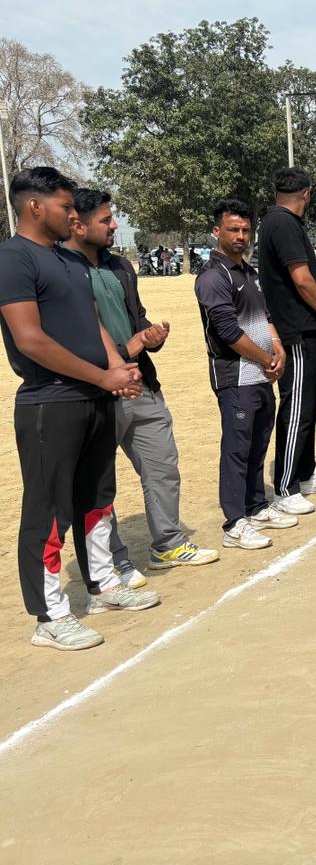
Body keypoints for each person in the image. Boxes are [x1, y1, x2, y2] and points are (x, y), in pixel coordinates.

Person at [0, 167, 158, 651]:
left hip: (95, 397)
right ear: (34, 206)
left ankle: (104, 586)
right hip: (50, 401)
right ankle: (49, 616)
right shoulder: (12, 258)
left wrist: (118, 368)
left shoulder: (68, 261)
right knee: (48, 510)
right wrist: (102, 376)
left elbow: (93, 325)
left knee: (98, 497)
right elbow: (30, 339)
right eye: (65, 207)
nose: (73, 215)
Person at [65, 188, 218, 581]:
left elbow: (135, 316)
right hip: (94, 391)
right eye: (106, 219)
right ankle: (112, 560)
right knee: (98, 483)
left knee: (163, 466)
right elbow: (69, 337)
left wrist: (149, 335)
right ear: (77, 225)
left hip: (141, 384)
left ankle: (167, 544)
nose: (115, 225)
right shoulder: (61, 270)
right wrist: (128, 346)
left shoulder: (120, 267)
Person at [196, 199, 297, 550]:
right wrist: (266, 358)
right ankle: (234, 522)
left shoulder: (250, 273)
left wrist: (278, 348)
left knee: (258, 443)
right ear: (216, 232)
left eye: (245, 230)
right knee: (236, 449)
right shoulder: (213, 276)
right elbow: (226, 331)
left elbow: (265, 318)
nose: (240, 236)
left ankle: (255, 507)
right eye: (232, 229)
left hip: (260, 375)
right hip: (235, 375)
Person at [255, 167, 316, 514]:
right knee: (295, 408)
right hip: (295, 328)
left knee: (308, 406)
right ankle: (286, 484)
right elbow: (302, 278)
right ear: (307, 194)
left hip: (305, 329)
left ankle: (306, 472)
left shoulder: (283, 223)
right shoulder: (282, 224)